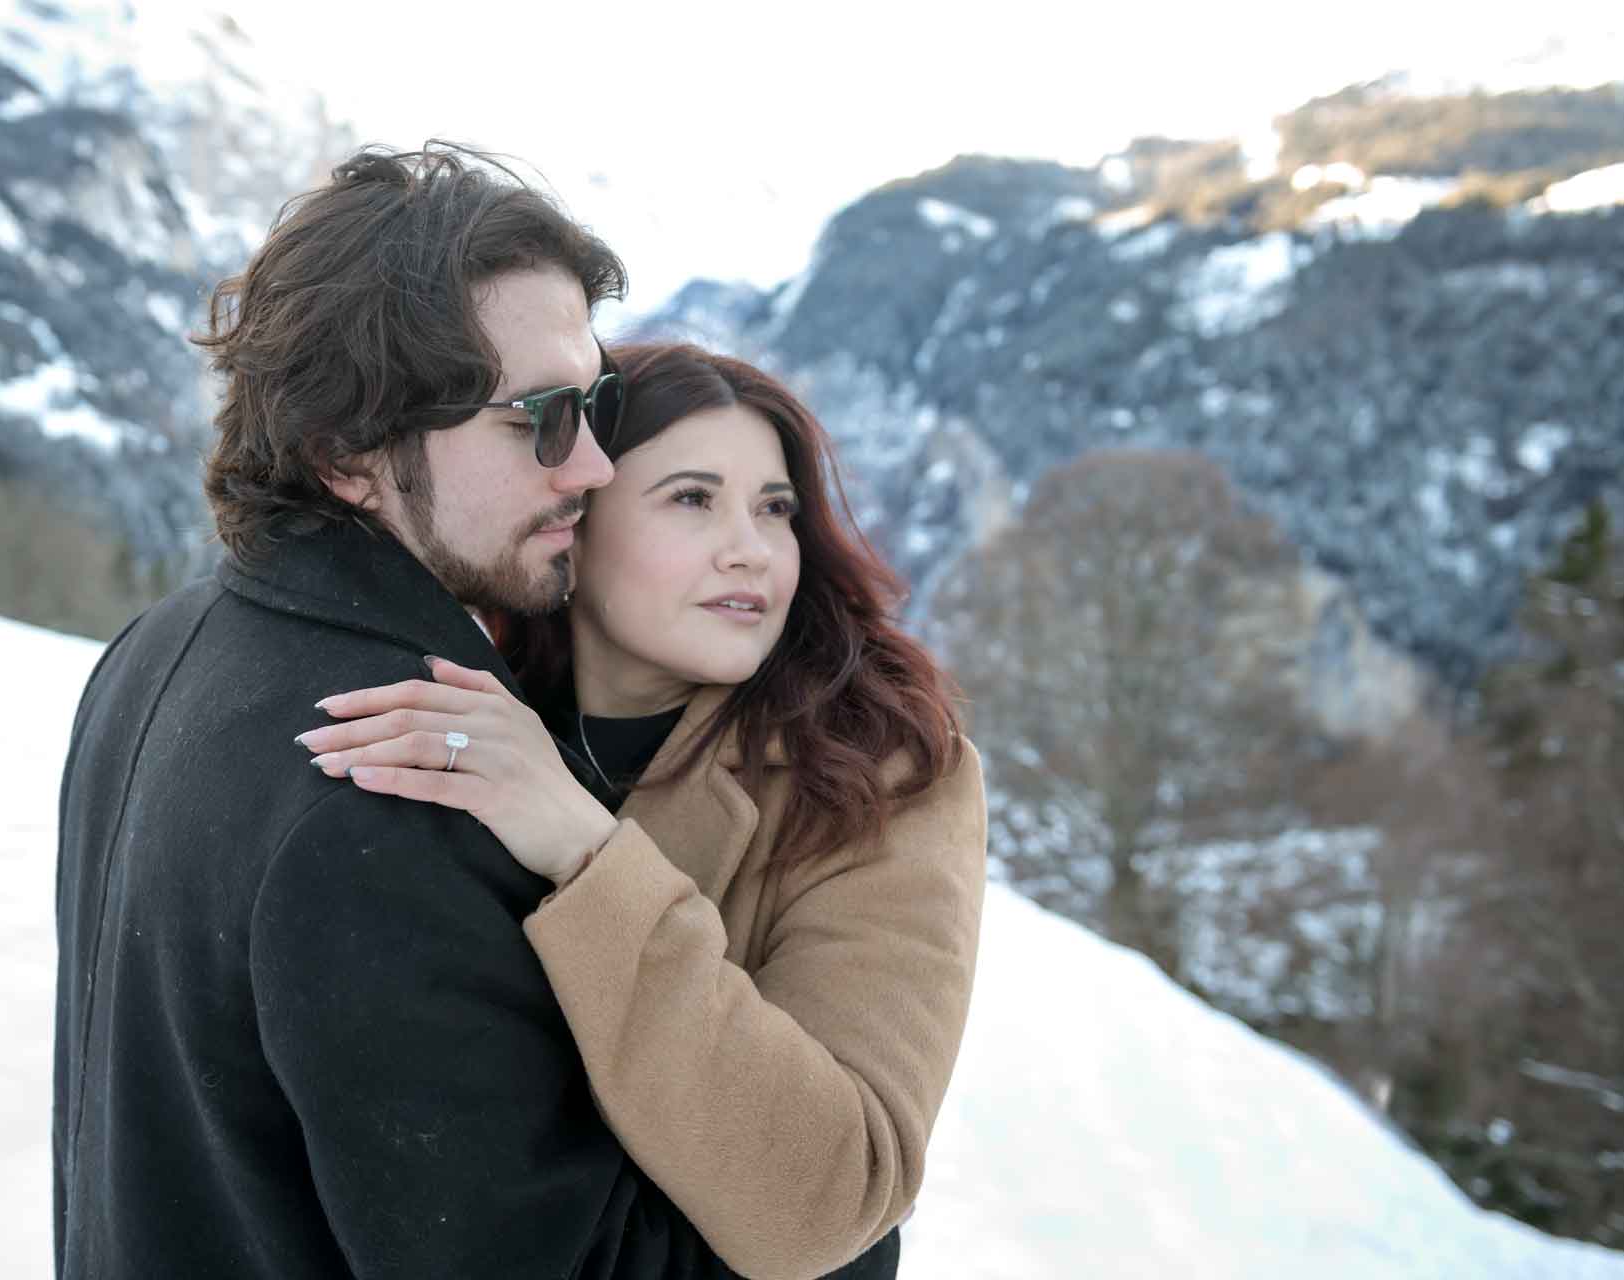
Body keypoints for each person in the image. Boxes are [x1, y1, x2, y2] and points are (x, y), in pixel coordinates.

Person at [54, 145, 880, 1277]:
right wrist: (849, 1242)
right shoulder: (404, 770)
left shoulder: (153, 652)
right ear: (347, 451)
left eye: (594, 403)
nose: (592, 464)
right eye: (538, 415)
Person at [295, 342, 989, 1279]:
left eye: (774, 508)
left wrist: (591, 856)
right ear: (569, 521)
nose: (751, 547)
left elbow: (829, 1198)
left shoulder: (883, 773)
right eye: (693, 499)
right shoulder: (479, 718)